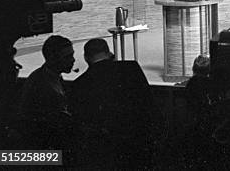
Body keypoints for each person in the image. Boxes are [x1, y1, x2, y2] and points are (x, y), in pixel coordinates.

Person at [70, 38, 163, 168]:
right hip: (140, 143)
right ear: (109, 53)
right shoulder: (131, 68)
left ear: (86, 58)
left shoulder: (79, 84)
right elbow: (148, 102)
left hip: (106, 153)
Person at [18, 35, 76, 150]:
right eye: (68, 56)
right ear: (53, 58)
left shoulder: (49, 77)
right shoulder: (41, 84)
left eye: (72, 55)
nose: (73, 59)